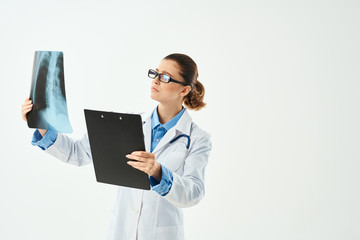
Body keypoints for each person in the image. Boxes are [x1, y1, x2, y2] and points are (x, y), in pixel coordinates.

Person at [21, 53, 212, 240]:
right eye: (156, 73)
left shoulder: (198, 139)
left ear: (184, 90)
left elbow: (194, 193)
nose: (155, 81)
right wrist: (41, 123)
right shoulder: (126, 124)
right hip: (121, 230)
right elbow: (77, 153)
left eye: (165, 77)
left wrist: (157, 171)